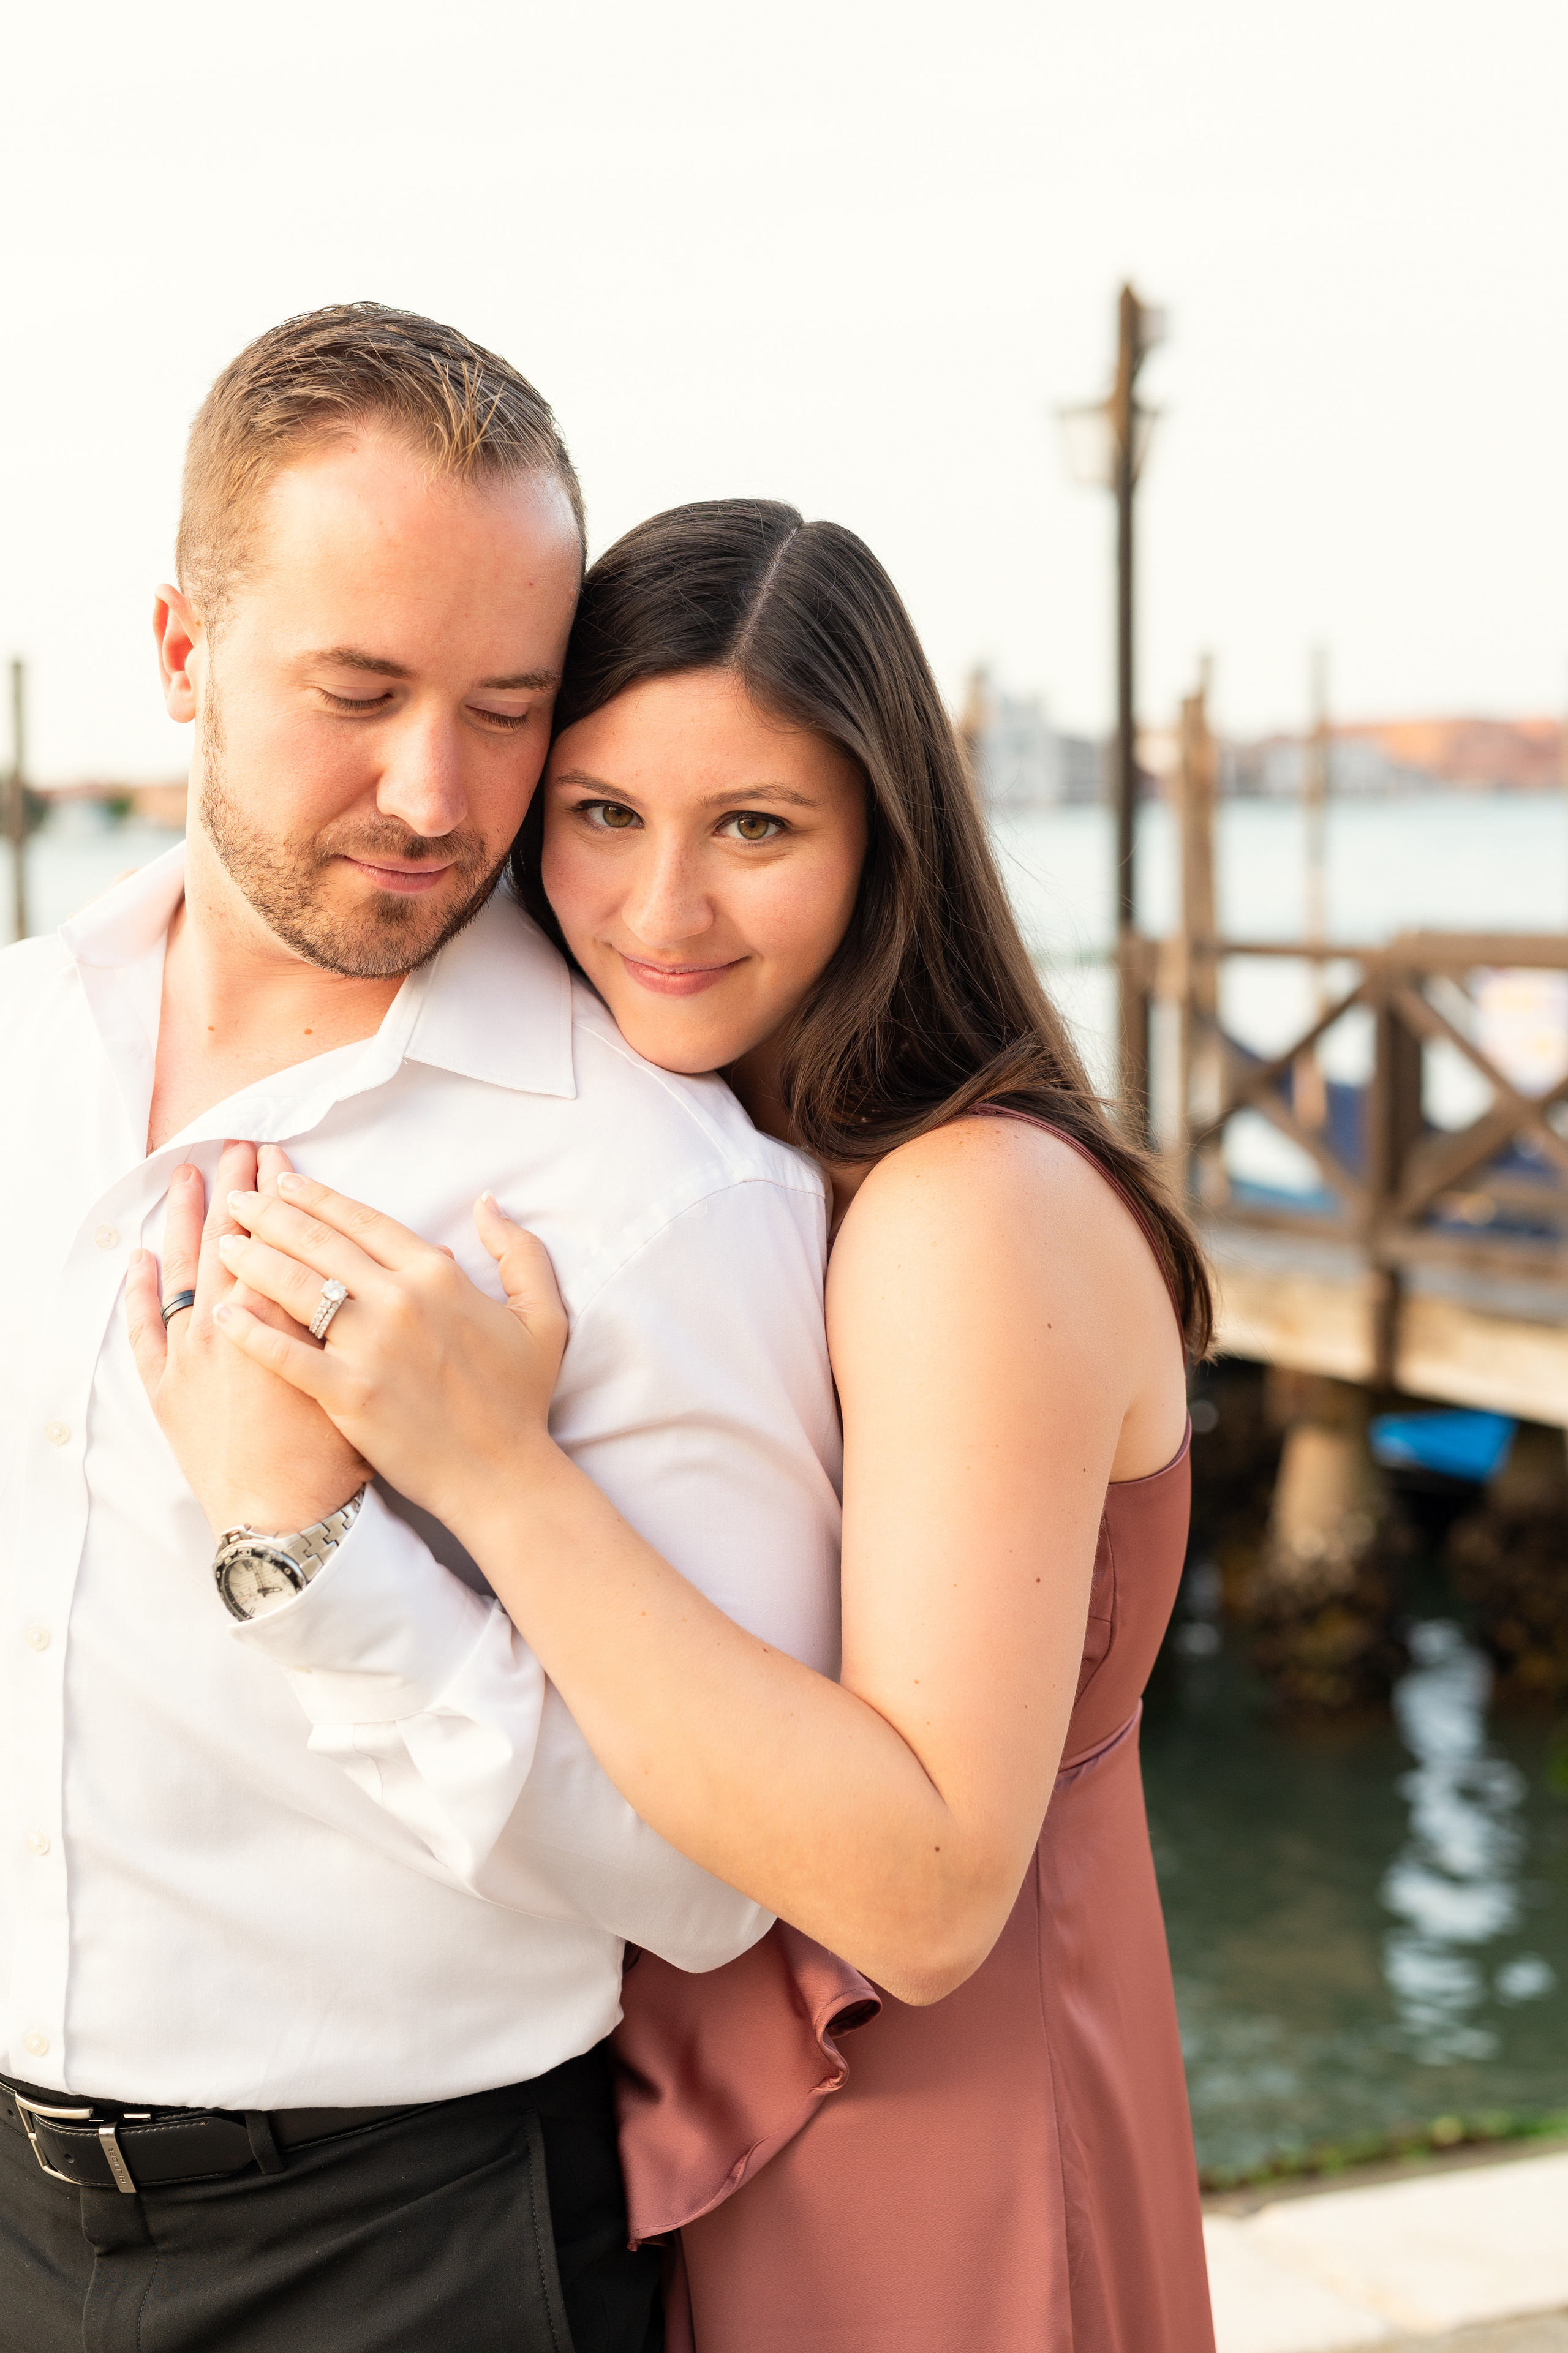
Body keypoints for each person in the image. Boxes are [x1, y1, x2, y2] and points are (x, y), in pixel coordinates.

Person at [210, 499, 1220, 2351]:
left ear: (880, 842)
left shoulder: (964, 1210)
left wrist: (494, 1467)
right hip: (726, 2142)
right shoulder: (746, 1168)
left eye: (755, 826)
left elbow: (921, 1898)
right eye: (602, 816)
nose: (660, 909)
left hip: (944, 2171)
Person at [0, 322, 848, 2353]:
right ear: (183, 653)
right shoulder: (21, 1045)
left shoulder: (667, 1194)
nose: (435, 793)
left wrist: (324, 1569)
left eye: (506, 707)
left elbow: (712, 1880)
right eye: (359, 693)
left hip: (406, 2249)